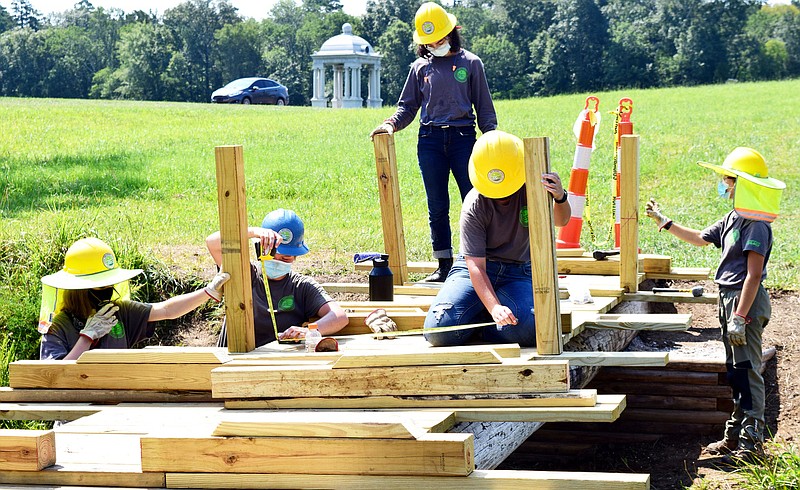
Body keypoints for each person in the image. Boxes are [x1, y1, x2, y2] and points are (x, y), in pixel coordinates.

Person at [646, 147, 785, 465]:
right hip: (729, 300)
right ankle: (733, 436)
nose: (724, 184)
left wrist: (739, 316)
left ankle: (751, 446)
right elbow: (700, 238)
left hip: (743, 302)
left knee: (747, 371)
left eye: (728, 179)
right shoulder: (733, 217)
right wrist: (665, 222)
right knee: (735, 372)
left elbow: (753, 275)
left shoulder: (757, 225)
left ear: (742, 184)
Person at [370, 2, 497, 282]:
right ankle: (443, 266)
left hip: (464, 138)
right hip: (429, 140)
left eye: (439, 38)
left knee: (473, 200)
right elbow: (407, 107)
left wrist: (491, 140)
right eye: (429, 41)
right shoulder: (419, 67)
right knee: (437, 205)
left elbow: (485, 109)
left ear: (452, 32)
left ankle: (476, 262)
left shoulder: (471, 63)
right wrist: (390, 124)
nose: (435, 44)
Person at [423, 130, 570, 347]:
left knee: (531, 330)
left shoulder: (535, 189)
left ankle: (485, 324)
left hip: (518, 273)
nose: (501, 196)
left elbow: (562, 221)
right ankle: (485, 312)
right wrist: (494, 307)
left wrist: (559, 197)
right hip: (475, 272)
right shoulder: (475, 204)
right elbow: (475, 266)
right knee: (439, 331)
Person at [39, 237, 230, 361]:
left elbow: (167, 310)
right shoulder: (58, 327)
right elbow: (57, 375)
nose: (108, 291)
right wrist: (87, 337)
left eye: (109, 284)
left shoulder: (120, 312)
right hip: (73, 416)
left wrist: (208, 291)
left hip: (116, 407)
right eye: (101, 286)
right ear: (80, 290)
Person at [206, 208, 348, 348]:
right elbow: (212, 243)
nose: (278, 262)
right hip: (232, 361)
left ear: (295, 257)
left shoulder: (301, 287)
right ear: (261, 249)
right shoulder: (243, 273)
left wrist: (310, 330)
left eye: (285, 258)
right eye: (273, 256)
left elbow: (339, 316)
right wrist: (253, 232)